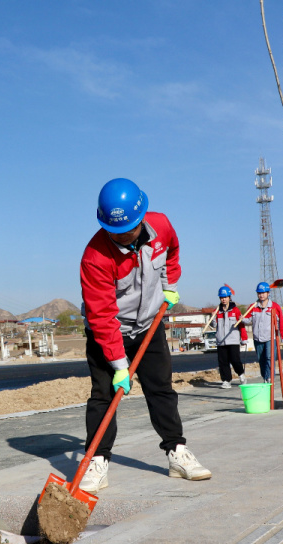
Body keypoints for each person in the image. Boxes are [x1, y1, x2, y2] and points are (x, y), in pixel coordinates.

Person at [78, 178, 210, 493]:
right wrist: (119, 364)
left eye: (128, 230)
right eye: (114, 231)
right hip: (108, 333)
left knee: (161, 389)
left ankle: (177, 452)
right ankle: (97, 460)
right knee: (103, 396)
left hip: (149, 325)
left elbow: (173, 252)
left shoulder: (161, 226)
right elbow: (101, 315)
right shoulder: (95, 257)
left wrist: (170, 283)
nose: (121, 237)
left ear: (141, 219)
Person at [241, 282, 283, 383]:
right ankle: (265, 377)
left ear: (268, 293)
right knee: (261, 360)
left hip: (270, 338)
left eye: (263, 293)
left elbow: (281, 322)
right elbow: (247, 320)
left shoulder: (275, 307)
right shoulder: (253, 307)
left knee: (269, 358)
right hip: (258, 338)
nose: (261, 295)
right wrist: (241, 319)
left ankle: (269, 378)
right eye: (259, 293)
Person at [209, 286, 247, 389]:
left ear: (229, 297)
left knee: (235, 360)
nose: (223, 299)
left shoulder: (235, 310)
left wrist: (244, 338)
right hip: (221, 341)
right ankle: (226, 380)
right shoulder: (217, 311)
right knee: (223, 362)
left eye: (225, 297)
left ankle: (241, 374)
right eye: (222, 297)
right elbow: (213, 325)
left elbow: (241, 325)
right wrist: (212, 317)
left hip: (233, 340)